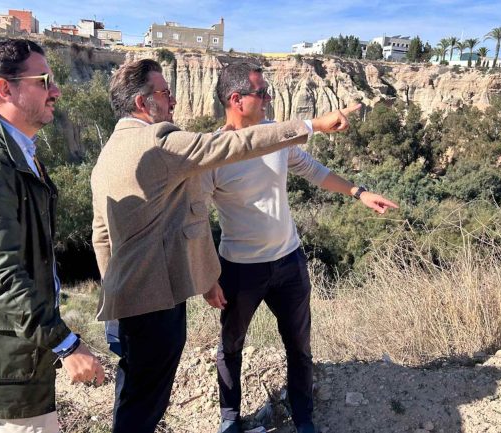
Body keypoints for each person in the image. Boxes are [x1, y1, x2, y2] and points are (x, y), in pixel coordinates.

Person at [90, 58, 361, 433]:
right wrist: (312, 125)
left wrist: (114, 290)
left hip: (124, 301)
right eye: (166, 93)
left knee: (133, 395)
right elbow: (233, 153)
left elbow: (101, 235)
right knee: (147, 402)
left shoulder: (107, 154)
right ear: (142, 103)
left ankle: (299, 417)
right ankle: (228, 418)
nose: (173, 102)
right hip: (158, 299)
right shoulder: (160, 141)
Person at [202, 62, 399, 433]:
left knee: (299, 347)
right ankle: (229, 418)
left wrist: (359, 192)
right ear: (236, 100)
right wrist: (206, 277)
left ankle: (304, 419)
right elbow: (195, 220)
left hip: (289, 262)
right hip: (240, 269)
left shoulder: (275, 136)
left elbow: (313, 170)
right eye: (262, 94)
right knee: (230, 347)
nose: (269, 99)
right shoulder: (214, 153)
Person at [0, 39, 104, 433]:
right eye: (44, 80)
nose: (56, 91)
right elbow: (1, 275)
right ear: (4, 89)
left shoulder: (15, 151)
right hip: (6, 360)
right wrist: (66, 344)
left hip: (7, 350)